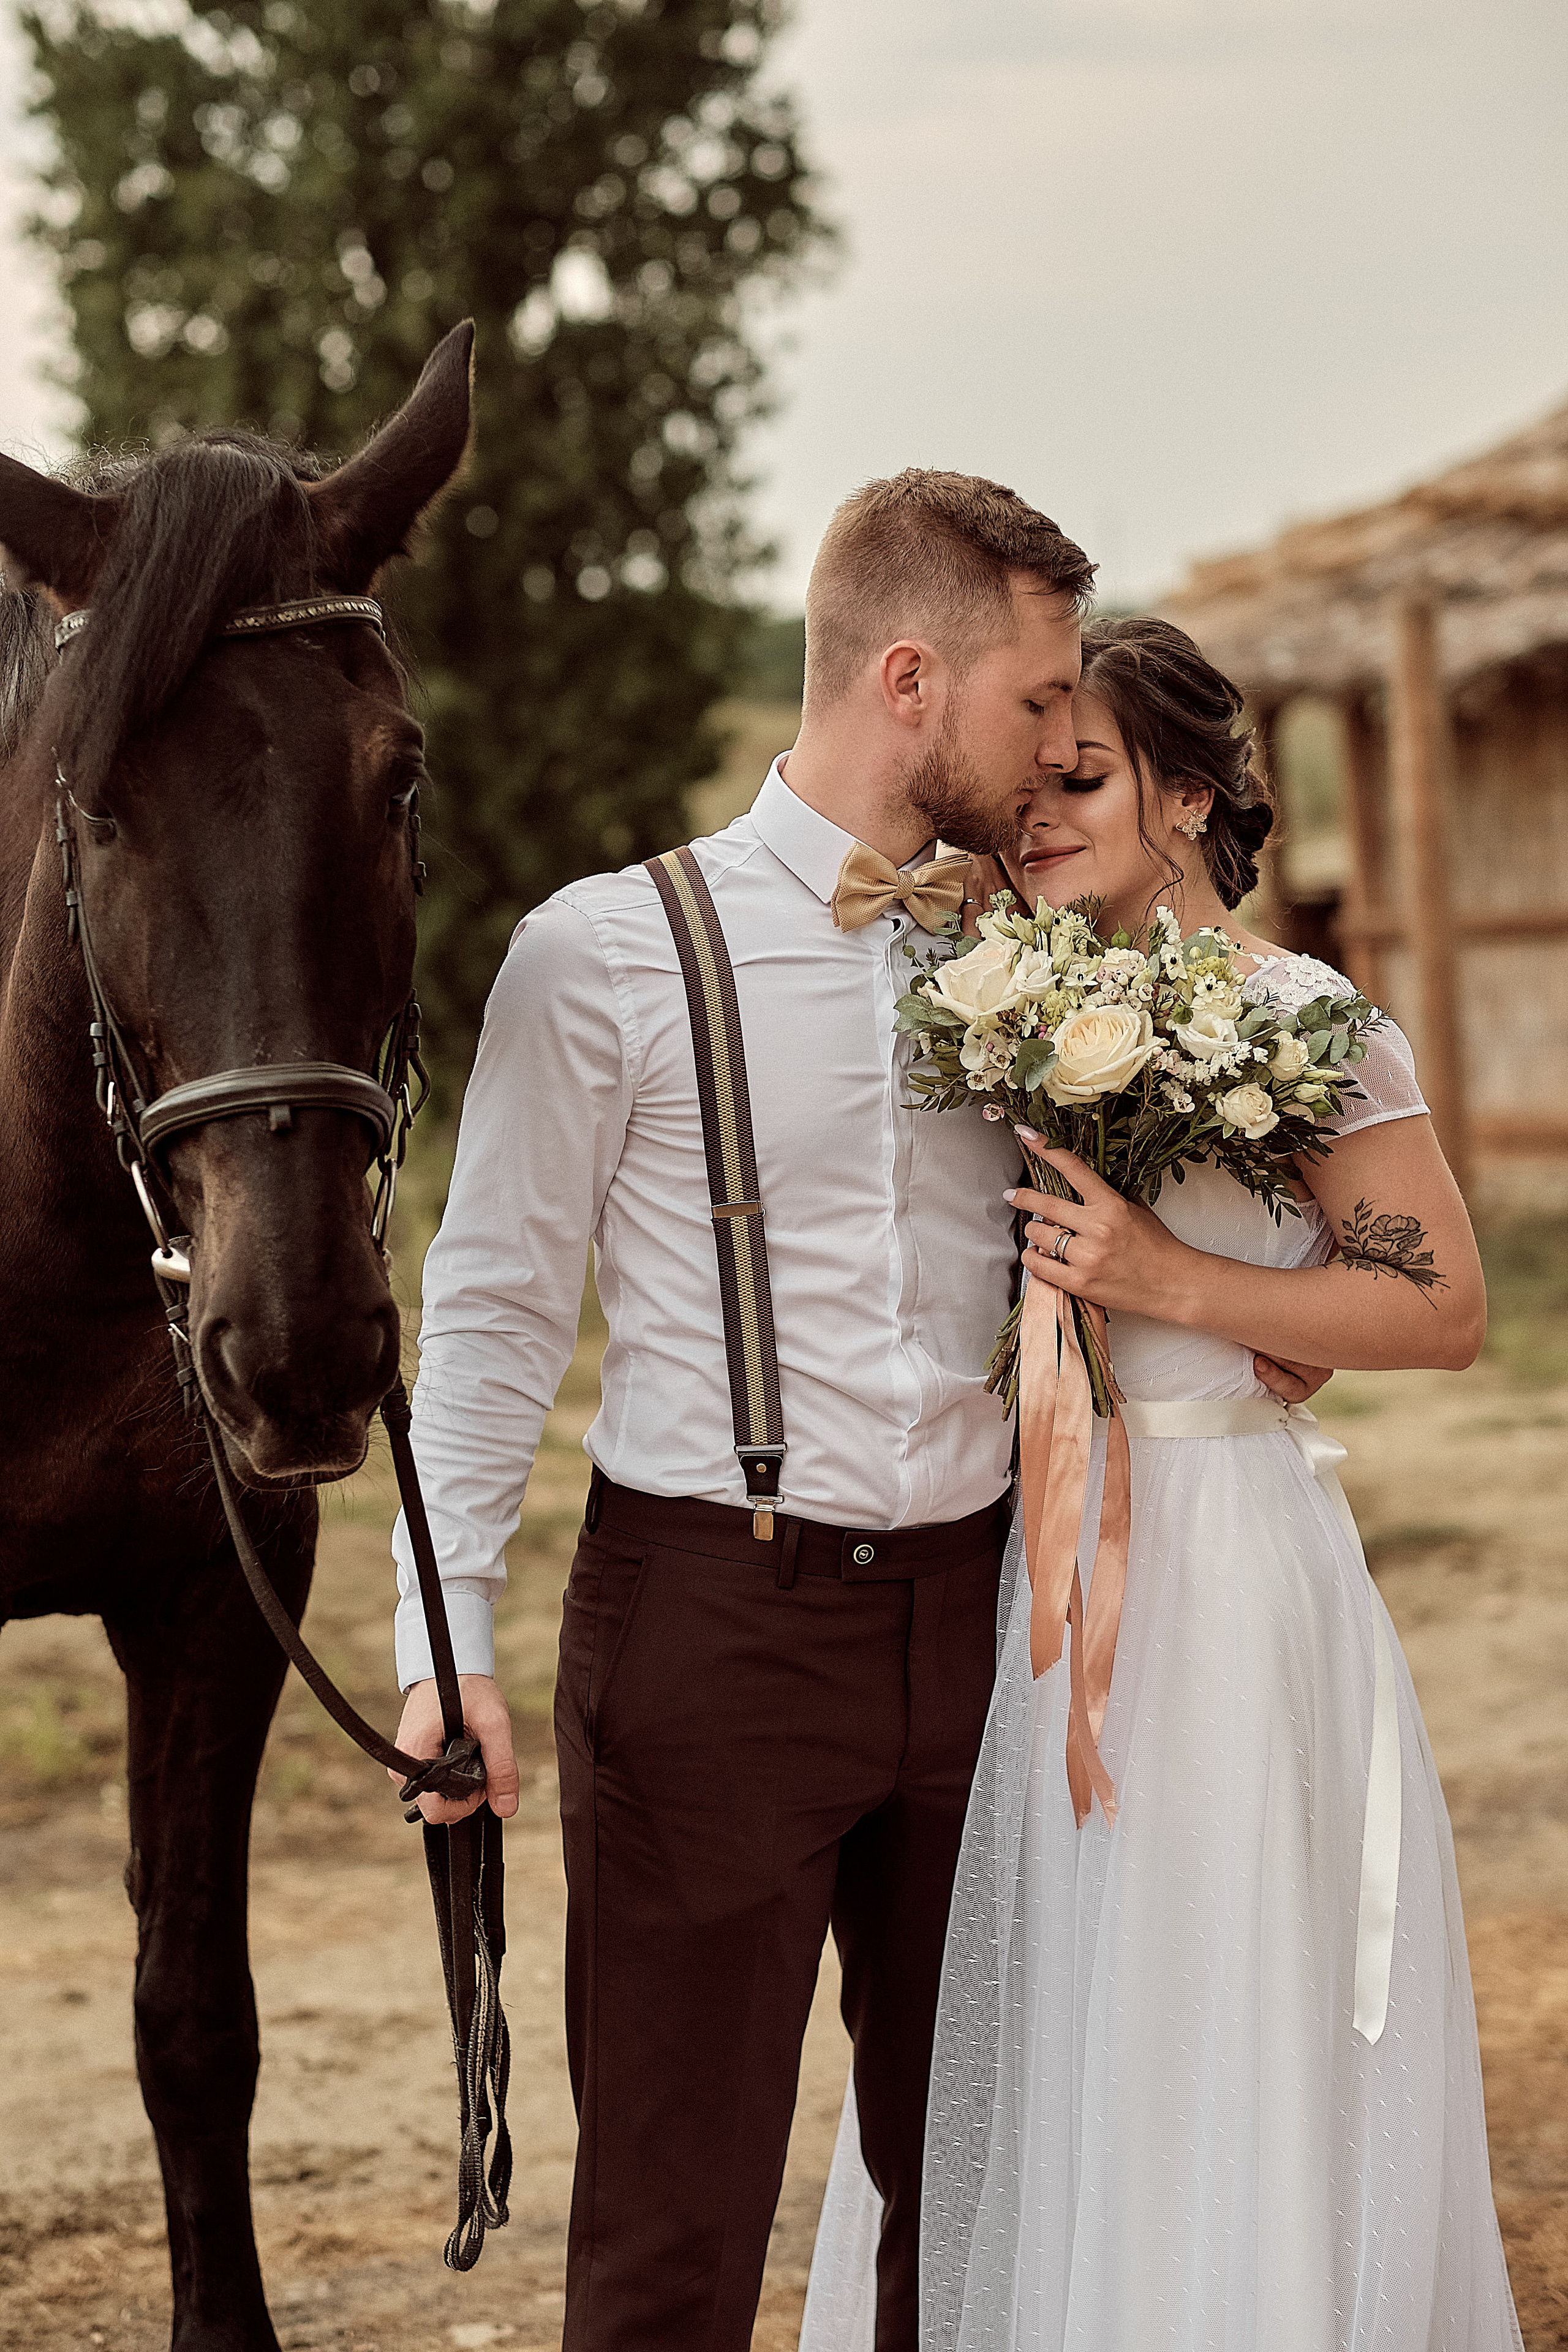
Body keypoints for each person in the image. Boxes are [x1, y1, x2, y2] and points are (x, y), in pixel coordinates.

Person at [388, 492, 1329, 2352]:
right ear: (912, 680)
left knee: (976, 2211)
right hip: (710, 1633)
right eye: (1038, 699)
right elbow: (489, 1315)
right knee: (674, 2233)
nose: (1061, 746)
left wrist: (1260, 1299)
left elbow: (1199, 1179)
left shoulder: (1037, 951)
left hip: (989, 1631)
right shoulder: (605, 952)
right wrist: (446, 1640)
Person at [799, 617, 1521, 2352]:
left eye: (1084, 780)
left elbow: (1442, 1305)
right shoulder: (989, 1006)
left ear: (1186, 795)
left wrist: (1185, 1283)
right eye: (1026, 790)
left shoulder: (1298, 1020)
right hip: (1020, 1569)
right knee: (1037, 1986)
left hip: (1225, 1574)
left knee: (1212, 1982)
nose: (1038, 818)